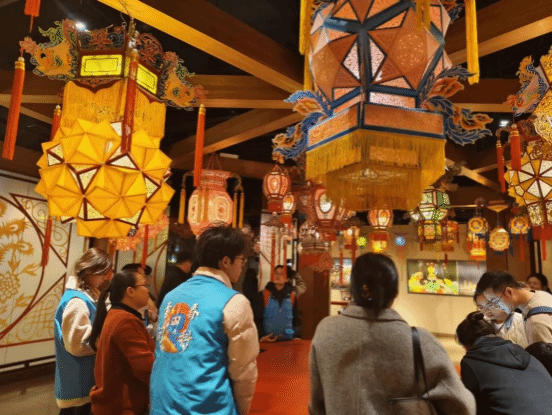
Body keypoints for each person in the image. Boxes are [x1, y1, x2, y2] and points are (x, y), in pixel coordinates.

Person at [309, 253, 475, 415]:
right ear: (395, 292)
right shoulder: (420, 341)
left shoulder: (326, 331)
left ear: (352, 289)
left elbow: (317, 405)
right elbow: (463, 406)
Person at [150, 225, 259, 415]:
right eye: (241, 260)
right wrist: (241, 409)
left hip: (162, 405)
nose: (242, 266)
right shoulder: (234, 302)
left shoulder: (171, 296)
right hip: (207, 407)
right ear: (226, 261)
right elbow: (243, 372)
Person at [456, 311, 552, 415]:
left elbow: (472, 407)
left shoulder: (471, 361)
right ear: (495, 333)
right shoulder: (522, 352)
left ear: (466, 345)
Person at [54, 248, 112, 415]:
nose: (105, 278)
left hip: (81, 376)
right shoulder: (77, 301)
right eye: (102, 273)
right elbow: (77, 345)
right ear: (89, 270)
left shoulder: (86, 296)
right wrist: (105, 338)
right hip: (78, 378)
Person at [88, 269, 155, 415]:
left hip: (113, 402)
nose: (148, 290)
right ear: (130, 291)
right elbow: (145, 368)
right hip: (122, 406)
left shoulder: (116, 314)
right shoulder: (126, 320)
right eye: (144, 285)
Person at [476, 270, 552, 345]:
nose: (493, 307)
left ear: (509, 292)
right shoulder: (541, 295)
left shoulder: (535, 322)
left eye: (494, 301)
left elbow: (544, 353)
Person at [260, 265, 301, 342]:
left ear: (287, 279)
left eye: (281, 274)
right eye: (276, 273)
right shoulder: (264, 294)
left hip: (288, 340)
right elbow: (257, 318)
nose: (278, 276)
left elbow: (296, 319)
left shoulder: (292, 295)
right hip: (268, 340)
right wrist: (261, 336)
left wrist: (296, 336)